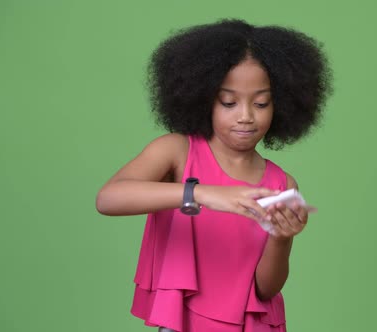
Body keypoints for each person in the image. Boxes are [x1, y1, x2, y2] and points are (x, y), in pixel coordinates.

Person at [96, 18, 332, 332]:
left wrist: (281, 238)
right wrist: (201, 193)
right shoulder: (177, 152)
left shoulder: (281, 184)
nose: (246, 116)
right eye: (229, 102)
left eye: (261, 103)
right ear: (203, 97)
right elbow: (109, 198)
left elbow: (266, 290)